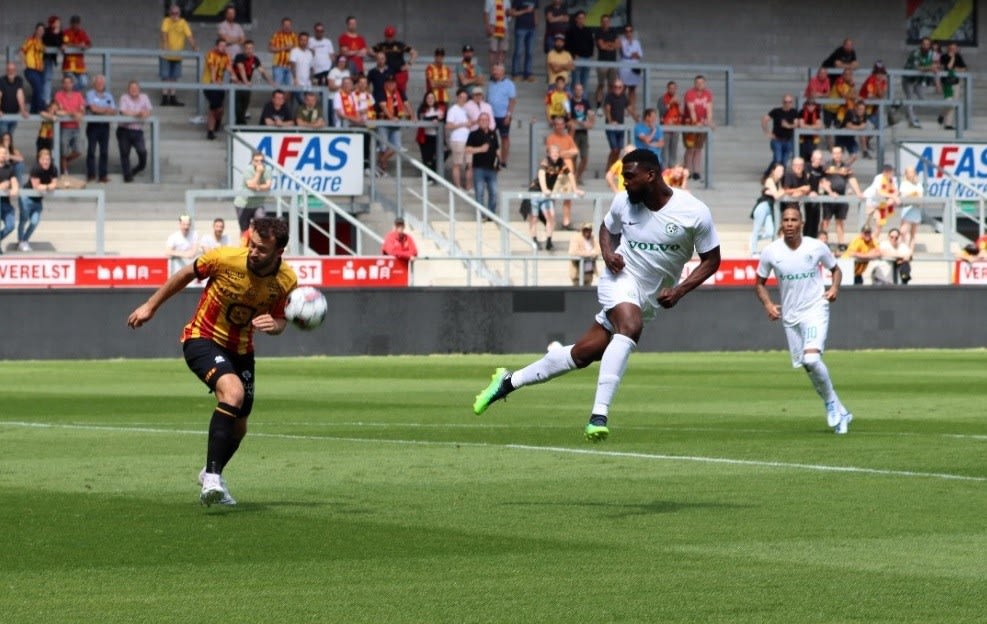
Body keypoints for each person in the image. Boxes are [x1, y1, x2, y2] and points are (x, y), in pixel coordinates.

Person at [473, 149, 721, 441]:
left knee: (581, 354)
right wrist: (607, 253)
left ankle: (508, 381)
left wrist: (680, 290)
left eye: (629, 176)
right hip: (620, 280)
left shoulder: (694, 212)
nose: (624, 183)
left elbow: (712, 260)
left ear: (651, 175)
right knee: (630, 327)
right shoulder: (623, 203)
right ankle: (598, 415)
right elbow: (607, 228)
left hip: (650, 297)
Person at [127, 217, 298, 507]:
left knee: (240, 427)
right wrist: (150, 306)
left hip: (242, 350)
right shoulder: (225, 258)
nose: (253, 252)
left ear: (279, 251)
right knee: (233, 393)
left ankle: (210, 469)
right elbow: (184, 274)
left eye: (262, 249)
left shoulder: (286, 280)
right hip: (202, 338)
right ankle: (213, 479)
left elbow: (281, 317)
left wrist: (277, 325)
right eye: (251, 244)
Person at [754, 205, 853, 434]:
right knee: (809, 367)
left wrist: (834, 288)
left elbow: (836, 270)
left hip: (815, 309)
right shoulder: (771, 252)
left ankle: (830, 404)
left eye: (793, 220)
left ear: (801, 223)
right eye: (786, 220)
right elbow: (758, 283)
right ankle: (842, 411)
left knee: (811, 359)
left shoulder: (816, 247)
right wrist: (768, 304)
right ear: (782, 224)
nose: (789, 223)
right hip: (790, 316)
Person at [819, 146, 862, 251]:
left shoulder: (846, 166)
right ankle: (822, 242)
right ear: (832, 154)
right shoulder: (826, 165)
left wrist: (858, 192)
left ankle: (841, 243)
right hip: (828, 197)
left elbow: (851, 179)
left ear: (842, 154)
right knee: (826, 221)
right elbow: (822, 180)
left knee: (840, 221)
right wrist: (830, 192)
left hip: (841, 197)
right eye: (834, 153)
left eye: (839, 153)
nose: (837, 155)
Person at [17, 147, 58, 252]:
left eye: (48, 159)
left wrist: (47, 187)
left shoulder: (53, 168)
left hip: (37, 200)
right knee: (24, 220)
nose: (46, 162)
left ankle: (25, 240)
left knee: (35, 221)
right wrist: (48, 186)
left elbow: (55, 183)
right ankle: (21, 242)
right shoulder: (36, 168)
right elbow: (37, 187)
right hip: (26, 198)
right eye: (44, 159)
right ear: (39, 160)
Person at [159, 4, 197, 106]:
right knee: (165, 77)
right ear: (169, 13)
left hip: (177, 55)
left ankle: (172, 98)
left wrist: (194, 46)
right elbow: (164, 33)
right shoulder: (166, 21)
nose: (174, 15)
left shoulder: (183, 23)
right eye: (172, 13)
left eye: (177, 13)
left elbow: (189, 36)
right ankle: (164, 98)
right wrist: (166, 44)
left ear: (179, 13)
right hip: (166, 55)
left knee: (174, 77)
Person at [466, 112, 501, 217]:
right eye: (481, 120)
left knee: (494, 192)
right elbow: (467, 149)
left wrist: (499, 161)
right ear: (478, 121)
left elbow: (497, 149)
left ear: (489, 121)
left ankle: (491, 214)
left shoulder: (493, 133)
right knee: (479, 192)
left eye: (486, 120)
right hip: (479, 168)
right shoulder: (473, 134)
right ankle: (480, 214)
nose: (484, 122)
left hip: (492, 168)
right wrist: (480, 149)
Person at [233, 40, 274, 125]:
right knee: (237, 107)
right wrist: (246, 82)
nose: (249, 50)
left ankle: (241, 125)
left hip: (247, 86)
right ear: (244, 49)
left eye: (251, 48)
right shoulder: (239, 56)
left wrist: (271, 82)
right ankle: (240, 126)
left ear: (253, 49)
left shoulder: (255, 59)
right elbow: (241, 69)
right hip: (236, 85)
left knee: (244, 106)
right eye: (247, 48)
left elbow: (262, 71)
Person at [117, 81, 151, 184]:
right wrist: (138, 113)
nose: (134, 90)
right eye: (131, 88)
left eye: (135, 88)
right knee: (124, 153)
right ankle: (127, 176)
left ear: (139, 89)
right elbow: (123, 112)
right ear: (128, 90)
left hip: (137, 131)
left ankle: (137, 168)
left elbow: (148, 112)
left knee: (142, 151)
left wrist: (141, 113)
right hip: (124, 130)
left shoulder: (144, 97)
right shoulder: (124, 97)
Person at [84, 74, 115, 183]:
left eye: (102, 82)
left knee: (104, 151)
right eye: (98, 82)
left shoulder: (109, 95)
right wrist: (105, 110)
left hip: (105, 126)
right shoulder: (90, 94)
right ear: (94, 84)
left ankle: (103, 175)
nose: (100, 84)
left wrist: (101, 110)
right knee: (91, 150)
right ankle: (91, 174)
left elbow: (113, 111)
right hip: (93, 125)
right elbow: (93, 109)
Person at [373, 26, 417, 100]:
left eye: (391, 36)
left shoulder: (400, 45)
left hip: (399, 73)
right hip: (386, 74)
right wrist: (377, 56)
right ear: (385, 36)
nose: (390, 39)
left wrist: (409, 64)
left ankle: (401, 109)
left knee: (400, 94)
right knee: (387, 94)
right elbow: (369, 50)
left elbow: (414, 52)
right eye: (388, 36)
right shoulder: (381, 46)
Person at [683, 75, 713, 180]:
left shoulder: (707, 94)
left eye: (702, 82)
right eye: (698, 82)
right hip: (690, 124)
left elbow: (709, 109)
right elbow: (691, 110)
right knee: (690, 148)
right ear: (694, 83)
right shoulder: (690, 93)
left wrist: (708, 122)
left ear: (704, 83)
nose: (700, 84)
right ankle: (688, 170)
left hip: (702, 125)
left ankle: (696, 171)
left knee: (698, 148)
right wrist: (695, 123)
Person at [234, 151, 273, 233]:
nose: (260, 163)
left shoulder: (268, 169)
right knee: (244, 231)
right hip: (243, 204)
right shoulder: (248, 170)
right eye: (256, 161)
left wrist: (257, 187)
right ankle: (245, 245)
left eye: (262, 161)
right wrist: (258, 172)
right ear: (252, 161)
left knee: (262, 226)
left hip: (258, 204)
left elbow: (268, 186)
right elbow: (251, 185)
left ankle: (259, 245)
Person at [751, 162, 784, 257]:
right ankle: (753, 250)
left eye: (782, 171)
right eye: (779, 170)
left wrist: (780, 191)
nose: (781, 173)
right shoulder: (770, 180)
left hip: (770, 209)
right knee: (757, 229)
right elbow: (777, 195)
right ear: (773, 171)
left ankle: (755, 238)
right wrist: (782, 191)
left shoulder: (779, 182)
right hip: (763, 206)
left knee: (771, 232)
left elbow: (777, 193)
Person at [53, 75, 85, 175]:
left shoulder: (78, 95)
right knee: (63, 149)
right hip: (63, 127)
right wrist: (72, 113)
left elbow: (82, 110)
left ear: (72, 84)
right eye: (65, 82)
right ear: (62, 84)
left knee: (79, 150)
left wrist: (72, 112)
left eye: (69, 82)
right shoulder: (58, 95)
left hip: (76, 127)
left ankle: (63, 161)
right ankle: (64, 171)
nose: (67, 85)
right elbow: (58, 111)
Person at [903, 37, 936, 129]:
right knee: (910, 98)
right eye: (924, 44)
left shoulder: (931, 54)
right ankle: (913, 120)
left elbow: (935, 65)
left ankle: (910, 114)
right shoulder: (916, 52)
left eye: (927, 44)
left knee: (922, 98)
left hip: (920, 80)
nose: (925, 46)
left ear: (930, 46)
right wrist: (930, 68)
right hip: (909, 78)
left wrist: (935, 67)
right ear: (921, 44)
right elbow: (918, 67)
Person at [487, 64, 517, 167]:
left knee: (504, 138)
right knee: (490, 138)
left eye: (497, 70)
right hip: (491, 116)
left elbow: (512, 101)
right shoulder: (491, 83)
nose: (494, 72)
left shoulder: (509, 84)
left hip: (503, 116)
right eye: (494, 70)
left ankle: (504, 160)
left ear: (502, 72)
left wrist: (508, 115)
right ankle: (492, 158)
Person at [863, 163, 900, 237]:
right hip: (871, 202)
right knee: (866, 225)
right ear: (884, 172)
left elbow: (896, 191)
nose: (889, 174)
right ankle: (865, 241)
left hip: (881, 205)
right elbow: (879, 192)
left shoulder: (894, 179)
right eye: (887, 172)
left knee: (879, 224)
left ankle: (874, 240)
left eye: (890, 172)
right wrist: (893, 196)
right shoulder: (879, 178)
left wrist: (894, 197)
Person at [446, 88, 472, 191]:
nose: (463, 99)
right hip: (457, 139)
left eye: (465, 97)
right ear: (457, 97)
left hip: (468, 139)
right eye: (461, 97)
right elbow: (448, 126)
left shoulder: (467, 109)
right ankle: (457, 186)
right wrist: (463, 124)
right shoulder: (453, 109)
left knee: (469, 163)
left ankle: (468, 186)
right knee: (457, 163)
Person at [568, 82, 594, 184]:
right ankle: (573, 176)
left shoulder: (586, 102)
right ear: (574, 90)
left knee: (585, 157)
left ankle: (578, 176)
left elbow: (591, 114)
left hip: (583, 132)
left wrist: (590, 122)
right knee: (573, 155)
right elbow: (568, 117)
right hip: (574, 132)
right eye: (577, 89)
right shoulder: (570, 102)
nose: (578, 91)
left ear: (583, 91)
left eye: (580, 89)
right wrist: (581, 122)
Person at [762, 94, 797, 167]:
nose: (787, 104)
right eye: (785, 102)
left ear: (792, 103)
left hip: (788, 140)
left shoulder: (794, 112)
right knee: (778, 160)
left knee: (783, 161)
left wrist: (788, 126)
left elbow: (796, 124)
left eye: (789, 102)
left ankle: (768, 174)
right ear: (782, 102)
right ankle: (775, 176)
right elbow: (764, 120)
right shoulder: (776, 111)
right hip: (777, 140)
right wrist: (767, 132)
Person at [593, 13, 619, 112]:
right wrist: (610, 44)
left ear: (609, 22)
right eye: (603, 22)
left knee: (612, 85)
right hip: (602, 62)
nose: (605, 23)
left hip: (613, 63)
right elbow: (601, 46)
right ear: (601, 23)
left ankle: (608, 105)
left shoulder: (613, 31)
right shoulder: (598, 32)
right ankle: (599, 106)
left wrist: (607, 44)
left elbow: (617, 45)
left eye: (607, 21)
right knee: (601, 85)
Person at [603, 79, 632, 170]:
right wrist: (610, 121)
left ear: (623, 88)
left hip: (620, 126)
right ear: (612, 88)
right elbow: (607, 109)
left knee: (619, 149)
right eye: (615, 87)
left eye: (620, 87)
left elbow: (629, 108)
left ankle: (612, 168)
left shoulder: (624, 96)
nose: (617, 89)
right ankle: (609, 168)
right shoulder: (609, 96)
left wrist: (636, 118)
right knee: (614, 149)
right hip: (611, 126)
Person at [416, 91, 446, 177]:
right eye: (428, 98)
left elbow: (442, 120)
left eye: (432, 98)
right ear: (425, 99)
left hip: (436, 137)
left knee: (437, 157)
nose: (430, 100)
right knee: (426, 158)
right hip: (424, 137)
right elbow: (422, 119)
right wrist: (434, 118)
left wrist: (435, 119)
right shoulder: (422, 109)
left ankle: (432, 175)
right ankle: (428, 177)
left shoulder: (439, 109)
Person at [938, 42, 966, 130]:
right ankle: (942, 114)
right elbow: (949, 67)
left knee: (954, 104)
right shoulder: (944, 57)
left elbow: (964, 68)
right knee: (949, 101)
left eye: (955, 48)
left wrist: (957, 69)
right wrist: (953, 57)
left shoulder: (959, 56)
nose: (954, 50)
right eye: (952, 48)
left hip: (956, 82)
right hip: (946, 83)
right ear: (948, 48)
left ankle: (948, 124)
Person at [20, 23, 47, 115]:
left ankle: (33, 111)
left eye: (42, 30)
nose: (40, 32)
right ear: (35, 30)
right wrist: (23, 63)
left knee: (37, 89)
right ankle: (41, 108)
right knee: (38, 88)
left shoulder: (43, 43)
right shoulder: (30, 40)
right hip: (31, 69)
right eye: (39, 30)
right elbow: (22, 51)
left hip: (40, 70)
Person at [565, 10, 595, 91]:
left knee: (584, 82)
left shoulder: (588, 30)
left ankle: (583, 101)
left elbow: (591, 44)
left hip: (587, 58)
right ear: (576, 19)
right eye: (579, 18)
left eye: (583, 18)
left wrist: (591, 54)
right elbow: (567, 46)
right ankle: (574, 101)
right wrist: (573, 55)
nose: (581, 20)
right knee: (575, 82)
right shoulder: (570, 31)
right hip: (576, 59)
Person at [509, 0, 537, 82]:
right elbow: (513, 13)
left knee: (530, 52)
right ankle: (515, 73)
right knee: (519, 51)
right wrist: (525, 11)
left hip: (531, 28)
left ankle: (528, 73)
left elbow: (535, 12)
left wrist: (535, 24)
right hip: (520, 28)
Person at [61, 15, 92, 91]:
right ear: (70, 23)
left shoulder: (82, 32)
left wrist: (84, 46)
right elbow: (64, 44)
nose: (75, 25)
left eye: (77, 23)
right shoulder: (66, 32)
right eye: (73, 23)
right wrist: (78, 45)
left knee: (84, 82)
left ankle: (69, 94)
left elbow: (89, 44)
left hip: (79, 65)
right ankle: (68, 95)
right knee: (72, 82)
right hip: (68, 65)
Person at [0, 145, 21, 254]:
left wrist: (14, 188)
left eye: (4, 153)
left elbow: (14, 182)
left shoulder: (9, 168)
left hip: (6, 203)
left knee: (11, 225)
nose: (3, 155)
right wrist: (2, 186)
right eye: (1, 153)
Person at [0, 62, 29, 137]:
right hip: (3, 116)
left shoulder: (19, 80)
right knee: (4, 138)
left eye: (13, 69)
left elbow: (20, 95)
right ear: (6, 71)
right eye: (9, 69)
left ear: (15, 71)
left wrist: (23, 110)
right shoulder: (1, 81)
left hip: (14, 115)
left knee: (9, 138)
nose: (11, 71)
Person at [617, 24, 643, 111]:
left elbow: (640, 55)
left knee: (632, 89)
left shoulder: (636, 42)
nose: (629, 33)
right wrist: (632, 54)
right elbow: (624, 54)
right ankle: (621, 107)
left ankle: (632, 108)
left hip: (635, 66)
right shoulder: (622, 41)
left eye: (630, 31)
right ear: (624, 33)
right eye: (627, 31)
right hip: (625, 66)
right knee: (623, 88)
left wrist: (635, 55)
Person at [897, 166, 924, 249]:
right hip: (907, 208)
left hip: (916, 208)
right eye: (909, 172)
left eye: (913, 172)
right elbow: (904, 195)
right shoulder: (904, 183)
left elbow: (920, 195)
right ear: (906, 174)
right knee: (903, 231)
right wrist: (913, 194)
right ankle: (901, 247)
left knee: (913, 232)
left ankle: (911, 250)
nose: (912, 174)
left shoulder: (918, 184)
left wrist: (914, 194)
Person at [658, 81, 682, 169]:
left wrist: (679, 104)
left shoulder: (679, 99)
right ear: (667, 89)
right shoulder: (662, 99)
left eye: (674, 88)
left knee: (673, 150)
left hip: (676, 127)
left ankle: (672, 168)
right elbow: (662, 111)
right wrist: (670, 103)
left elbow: (682, 113)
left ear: (676, 89)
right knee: (664, 150)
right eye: (670, 88)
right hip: (665, 127)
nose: (672, 90)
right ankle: (664, 168)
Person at [268, 17, 298, 87]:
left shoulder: (295, 36)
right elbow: (270, 48)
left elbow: (297, 49)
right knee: (277, 86)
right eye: (285, 25)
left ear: (291, 25)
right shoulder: (276, 35)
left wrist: (291, 48)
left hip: (290, 66)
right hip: (278, 66)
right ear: (282, 26)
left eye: (289, 25)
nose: (287, 27)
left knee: (289, 87)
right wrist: (284, 48)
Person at [569, 221, 601, 286]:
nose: (587, 232)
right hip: (578, 273)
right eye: (585, 230)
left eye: (589, 230)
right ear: (582, 230)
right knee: (577, 293)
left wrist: (592, 253)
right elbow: (573, 252)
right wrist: (590, 253)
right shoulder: (576, 238)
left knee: (587, 293)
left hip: (589, 273)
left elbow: (599, 250)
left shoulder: (593, 238)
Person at [41, 16, 62, 107]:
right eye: (56, 22)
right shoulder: (46, 31)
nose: (58, 24)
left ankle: (46, 99)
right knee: (45, 79)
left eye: (58, 22)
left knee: (48, 78)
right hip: (42, 58)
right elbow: (47, 41)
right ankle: (44, 100)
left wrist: (57, 33)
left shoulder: (59, 32)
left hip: (50, 59)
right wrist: (54, 33)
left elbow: (59, 44)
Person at [288, 31, 315, 104]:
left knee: (308, 102)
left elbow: (312, 68)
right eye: (302, 40)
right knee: (300, 102)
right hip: (296, 83)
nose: (304, 42)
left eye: (305, 40)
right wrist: (294, 79)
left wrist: (311, 79)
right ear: (298, 40)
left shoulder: (309, 53)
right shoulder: (294, 51)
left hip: (307, 83)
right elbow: (292, 65)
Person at [484, 0, 510, 68]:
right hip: (493, 26)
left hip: (504, 27)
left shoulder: (507, 1)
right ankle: (493, 72)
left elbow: (508, 14)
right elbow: (486, 13)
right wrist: (487, 27)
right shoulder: (489, 0)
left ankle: (499, 71)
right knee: (493, 50)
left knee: (503, 50)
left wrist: (509, 14)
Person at [309, 22, 334, 89]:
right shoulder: (310, 41)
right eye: (318, 31)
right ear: (314, 31)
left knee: (326, 89)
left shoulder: (328, 41)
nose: (320, 33)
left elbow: (331, 55)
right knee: (315, 89)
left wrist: (332, 68)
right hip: (315, 71)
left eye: (321, 31)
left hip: (327, 69)